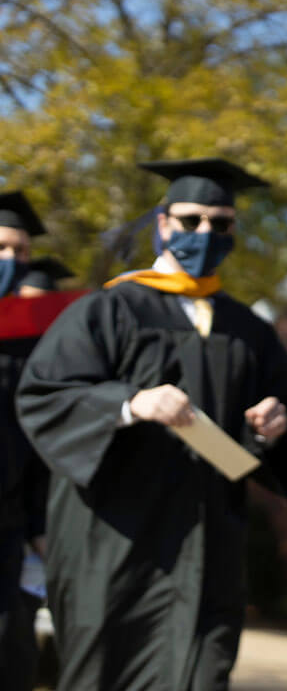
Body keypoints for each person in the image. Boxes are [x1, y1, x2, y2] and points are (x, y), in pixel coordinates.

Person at [16, 158, 287, 691]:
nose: (206, 233)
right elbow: (45, 393)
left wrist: (274, 429)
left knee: (200, 673)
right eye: (191, 220)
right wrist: (129, 404)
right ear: (163, 223)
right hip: (112, 544)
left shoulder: (250, 331)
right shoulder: (109, 309)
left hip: (207, 547)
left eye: (220, 224)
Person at [0, 191, 49, 691]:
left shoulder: (28, 346)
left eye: (21, 252)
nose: (11, 261)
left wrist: (39, 524)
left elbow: (35, 445)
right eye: (1, 248)